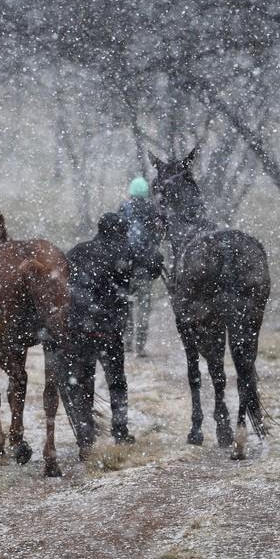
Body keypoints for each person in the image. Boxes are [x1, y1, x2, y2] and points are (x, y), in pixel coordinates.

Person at [63, 212, 158, 446]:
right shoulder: (125, 253)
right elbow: (154, 267)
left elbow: (64, 283)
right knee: (116, 380)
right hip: (110, 329)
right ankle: (120, 430)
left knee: (84, 381)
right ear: (119, 232)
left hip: (81, 329)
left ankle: (85, 434)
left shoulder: (77, 252)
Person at [119, 176, 161, 356]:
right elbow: (157, 237)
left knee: (126, 306)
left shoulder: (123, 209)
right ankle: (140, 346)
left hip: (124, 267)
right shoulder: (152, 210)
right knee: (143, 308)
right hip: (144, 268)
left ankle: (127, 343)